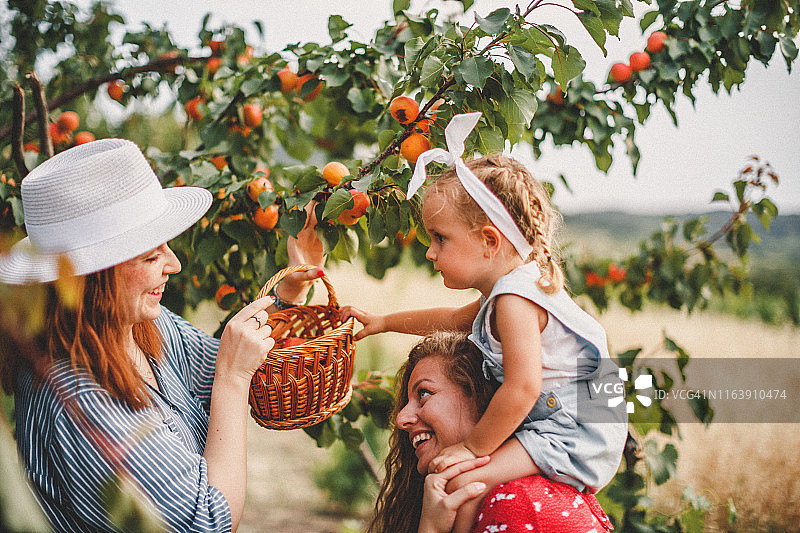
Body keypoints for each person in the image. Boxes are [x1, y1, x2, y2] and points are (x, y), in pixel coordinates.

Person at [0, 139, 324, 532]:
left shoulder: (138, 327)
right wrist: (233, 381)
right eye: (151, 256)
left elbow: (215, 360)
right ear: (94, 278)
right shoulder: (82, 403)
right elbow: (209, 522)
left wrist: (286, 293)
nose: (175, 263)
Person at [344, 113, 627, 531]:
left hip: (574, 428)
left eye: (440, 238)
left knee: (458, 478)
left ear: (489, 241)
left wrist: (472, 447)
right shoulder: (507, 294)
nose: (430, 252)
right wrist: (385, 321)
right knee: (460, 481)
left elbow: (523, 387)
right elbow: (450, 320)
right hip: (574, 421)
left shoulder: (515, 298)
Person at [369, 331, 615, 533]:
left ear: (481, 399)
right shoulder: (489, 498)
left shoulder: (517, 503)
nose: (401, 418)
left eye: (424, 393)